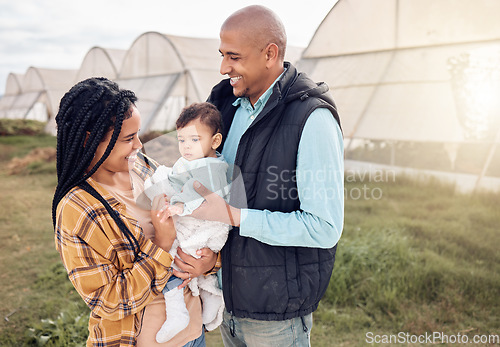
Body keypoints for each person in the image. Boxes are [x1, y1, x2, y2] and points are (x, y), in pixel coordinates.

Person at [190, 5, 344, 346]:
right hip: (227, 301)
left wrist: (235, 216)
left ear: (270, 54)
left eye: (233, 56)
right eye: (222, 55)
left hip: (278, 317)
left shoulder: (312, 118)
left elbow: (324, 227)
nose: (223, 68)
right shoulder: (223, 104)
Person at [52, 77, 217, 346]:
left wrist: (209, 262)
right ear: (88, 140)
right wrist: (161, 245)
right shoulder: (77, 209)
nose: (139, 145)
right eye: (129, 138)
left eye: (138, 134)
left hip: (193, 332)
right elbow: (110, 300)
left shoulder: (142, 167)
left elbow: (194, 226)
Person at [143, 102, 231, 343]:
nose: (186, 147)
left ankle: (177, 312)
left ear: (214, 141)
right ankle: (209, 299)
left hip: (204, 227)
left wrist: (178, 205)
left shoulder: (213, 167)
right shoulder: (195, 160)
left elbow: (196, 191)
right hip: (195, 219)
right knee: (191, 268)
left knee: (173, 262)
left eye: (194, 140)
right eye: (181, 140)